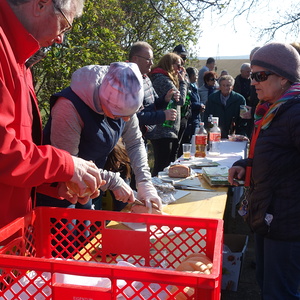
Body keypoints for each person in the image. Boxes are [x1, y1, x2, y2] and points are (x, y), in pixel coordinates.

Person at [0, 0, 104, 229]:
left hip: (12, 232)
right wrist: (65, 165)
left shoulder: (19, 57)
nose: (60, 39)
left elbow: (18, 157)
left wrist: (55, 181)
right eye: (64, 26)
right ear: (41, 4)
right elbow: (3, 152)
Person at [39, 62, 162, 213]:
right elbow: (69, 165)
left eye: (130, 115)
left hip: (88, 186)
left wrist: (144, 183)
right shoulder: (69, 108)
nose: (126, 121)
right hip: (57, 191)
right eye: (118, 116)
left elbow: (135, 142)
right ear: (103, 101)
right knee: (66, 235)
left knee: (86, 234)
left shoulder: (123, 98)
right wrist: (112, 181)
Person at [228, 42, 300, 299]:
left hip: (286, 223)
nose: (253, 82)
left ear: (283, 78)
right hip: (269, 217)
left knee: (279, 292)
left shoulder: (295, 112)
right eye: (253, 75)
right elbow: (278, 158)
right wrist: (245, 166)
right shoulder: (273, 110)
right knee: (267, 285)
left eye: (261, 76)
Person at [129, 41, 177, 144]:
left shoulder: (145, 78)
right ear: (135, 59)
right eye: (148, 59)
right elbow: (135, 117)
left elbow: (153, 103)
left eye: (152, 59)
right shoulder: (128, 81)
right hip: (130, 139)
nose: (151, 63)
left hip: (143, 137)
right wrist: (163, 116)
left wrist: (165, 99)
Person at [148, 53, 188, 176]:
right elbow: (180, 100)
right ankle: (156, 190)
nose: (180, 70)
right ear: (170, 65)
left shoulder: (162, 77)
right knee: (162, 166)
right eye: (178, 66)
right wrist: (183, 83)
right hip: (163, 129)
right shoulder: (162, 79)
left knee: (167, 164)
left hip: (167, 128)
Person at [178, 67, 203, 151]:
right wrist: (199, 106)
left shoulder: (194, 87)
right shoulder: (188, 88)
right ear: (192, 76)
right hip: (190, 120)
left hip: (195, 118)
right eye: (196, 75)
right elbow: (187, 103)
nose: (197, 77)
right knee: (188, 142)